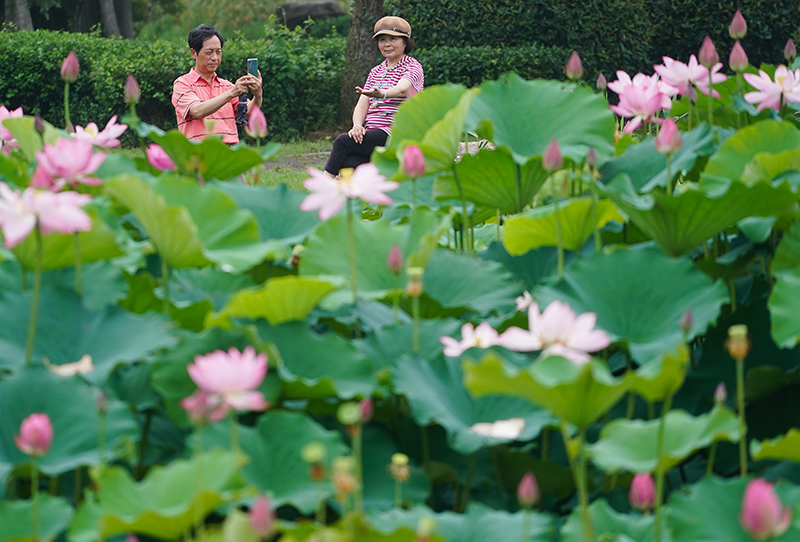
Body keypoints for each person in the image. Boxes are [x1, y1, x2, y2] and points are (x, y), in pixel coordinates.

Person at [324, 16, 424, 176]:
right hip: (373, 133)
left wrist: (383, 93)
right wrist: (357, 125)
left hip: (396, 131)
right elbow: (362, 104)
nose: (387, 44)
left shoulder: (412, 66)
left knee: (342, 142)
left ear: (405, 42)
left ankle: (323, 186)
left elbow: (402, 89)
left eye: (393, 39)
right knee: (349, 163)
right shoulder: (376, 71)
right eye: (382, 39)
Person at [172, 24, 263, 144]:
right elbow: (197, 111)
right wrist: (232, 93)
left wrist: (258, 94)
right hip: (199, 153)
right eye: (209, 52)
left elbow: (248, 112)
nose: (215, 57)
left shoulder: (227, 85)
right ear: (194, 53)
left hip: (229, 152)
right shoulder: (182, 83)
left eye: (218, 52)